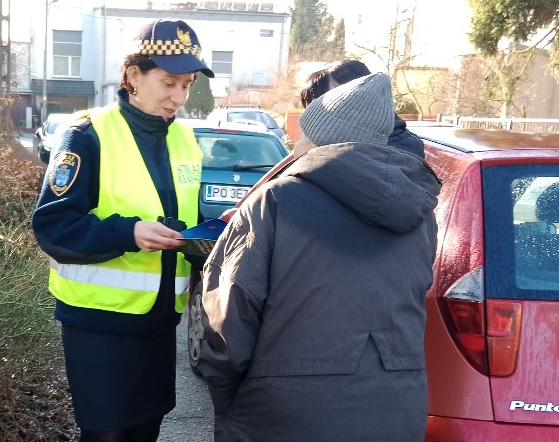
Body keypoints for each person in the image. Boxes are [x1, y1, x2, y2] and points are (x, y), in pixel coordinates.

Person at [196, 73, 442, 442]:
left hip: (283, 415)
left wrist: (224, 390)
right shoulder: (420, 214)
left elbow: (229, 321)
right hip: (394, 413)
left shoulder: (274, 202)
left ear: (318, 134)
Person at [31, 18, 214, 442]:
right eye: (169, 82)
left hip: (158, 323)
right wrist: (128, 234)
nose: (179, 97)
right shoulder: (86, 134)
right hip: (100, 327)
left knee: (145, 431)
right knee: (108, 435)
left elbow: (181, 213)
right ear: (133, 75)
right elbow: (54, 227)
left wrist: (201, 241)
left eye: (187, 85)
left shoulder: (185, 139)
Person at [222, 59, 423, 221]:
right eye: (312, 106)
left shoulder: (397, 151)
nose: (319, 114)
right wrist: (242, 208)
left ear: (359, 97)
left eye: (326, 103)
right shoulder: (329, 141)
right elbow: (292, 163)